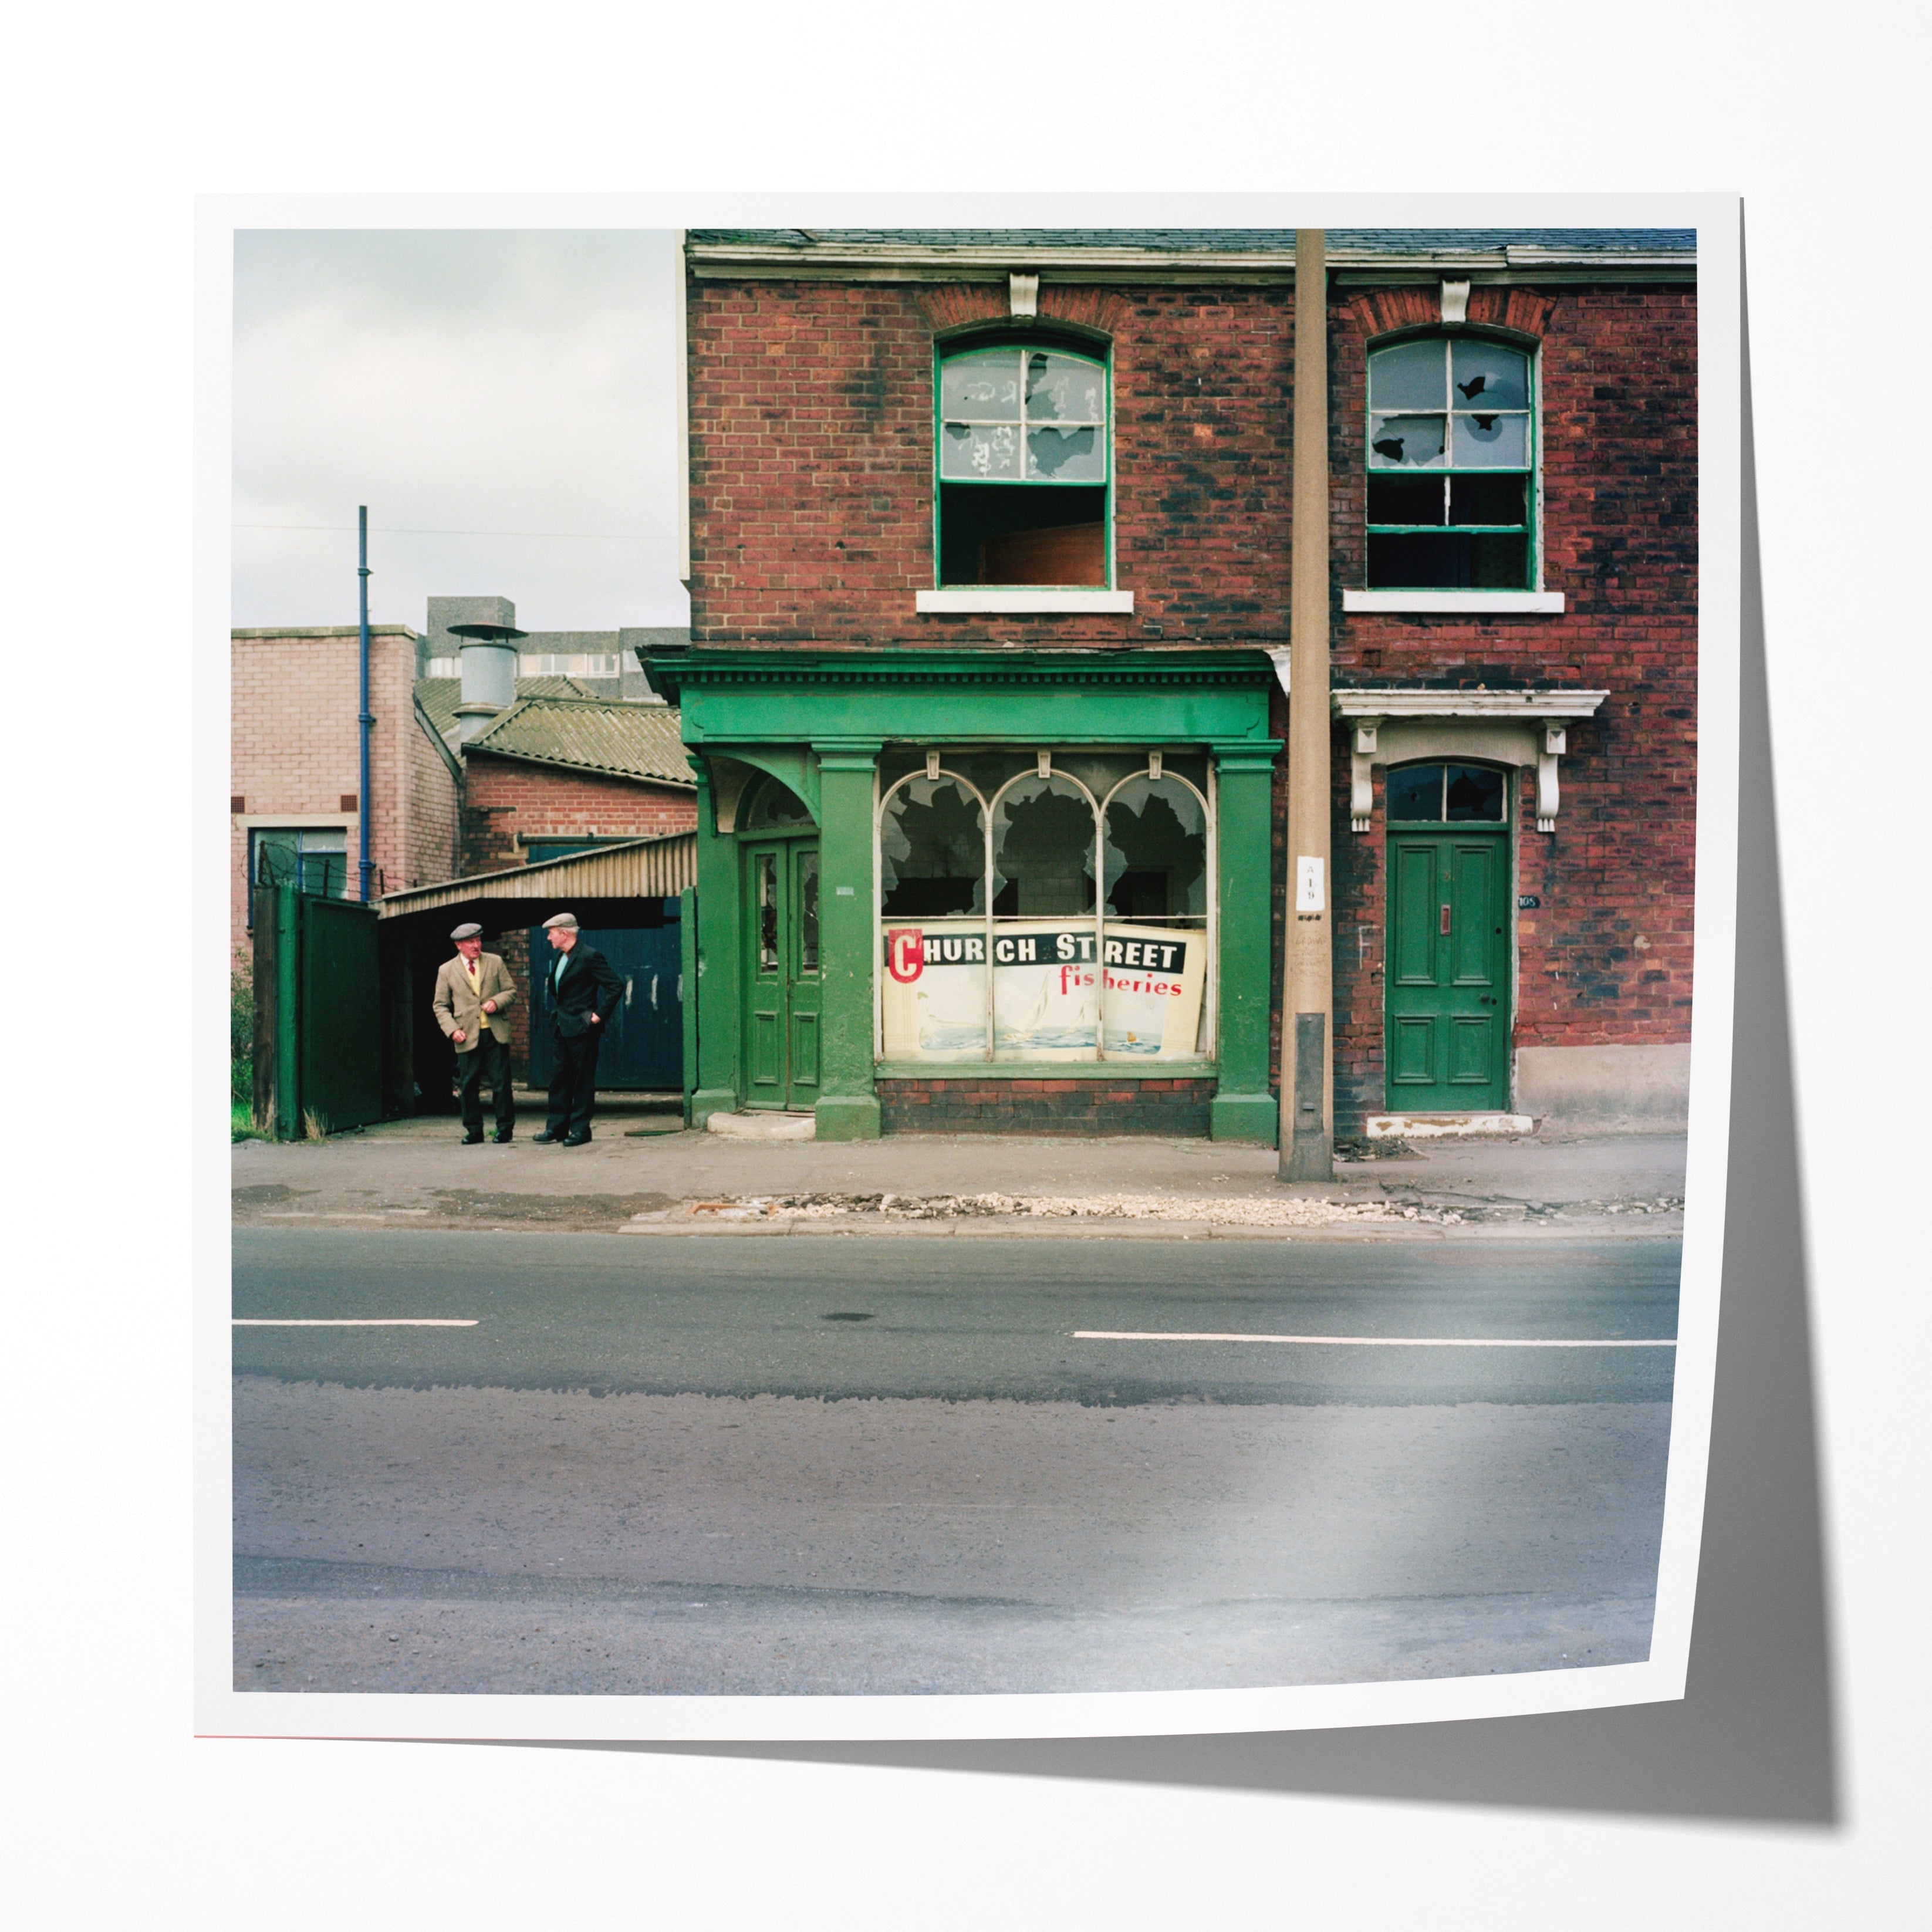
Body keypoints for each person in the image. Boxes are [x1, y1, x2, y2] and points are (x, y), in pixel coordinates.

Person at [534, 912, 624, 1146]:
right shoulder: (562, 957)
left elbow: (615, 986)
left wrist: (598, 1016)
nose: (548, 938)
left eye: (551, 933)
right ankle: (556, 1128)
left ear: (565, 934)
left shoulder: (589, 956)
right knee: (560, 1079)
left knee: (582, 1080)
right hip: (562, 1027)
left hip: (582, 1029)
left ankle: (581, 1130)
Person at [433, 921, 518, 1144]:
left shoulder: (495, 962)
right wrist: (452, 1031)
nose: (477, 945)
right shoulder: (447, 970)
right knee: (469, 1085)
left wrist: (496, 1002)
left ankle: (505, 1130)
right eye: (471, 941)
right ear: (459, 945)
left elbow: (511, 991)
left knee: (501, 1083)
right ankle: (474, 1131)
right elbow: (440, 1005)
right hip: (465, 1035)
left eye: (479, 940)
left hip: (494, 1032)